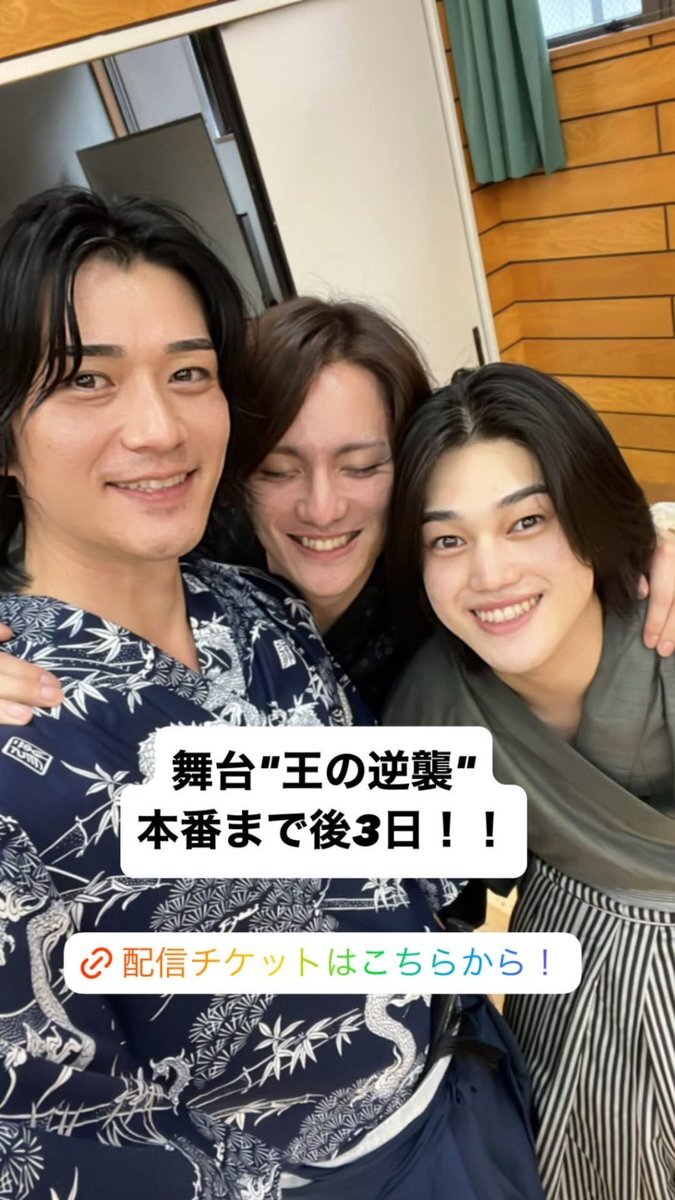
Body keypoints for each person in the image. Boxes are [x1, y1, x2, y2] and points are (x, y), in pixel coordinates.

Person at [0, 188, 546, 1200]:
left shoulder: (259, 610)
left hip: (468, 1077)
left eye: (189, 373)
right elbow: (54, 1135)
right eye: (86, 380)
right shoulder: (15, 736)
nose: (157, 427)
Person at [3, 296, 675, 724]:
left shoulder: (448, 582)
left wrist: (650, 545)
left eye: (362, 467)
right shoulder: (190, 564)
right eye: (278, 470)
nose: (322, 508)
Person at [383, 363, 675, 1200]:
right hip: (579, 1016)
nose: (489, 574)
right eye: (447, 540)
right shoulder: (431, 711)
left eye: (526, 521)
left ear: (589, 513)